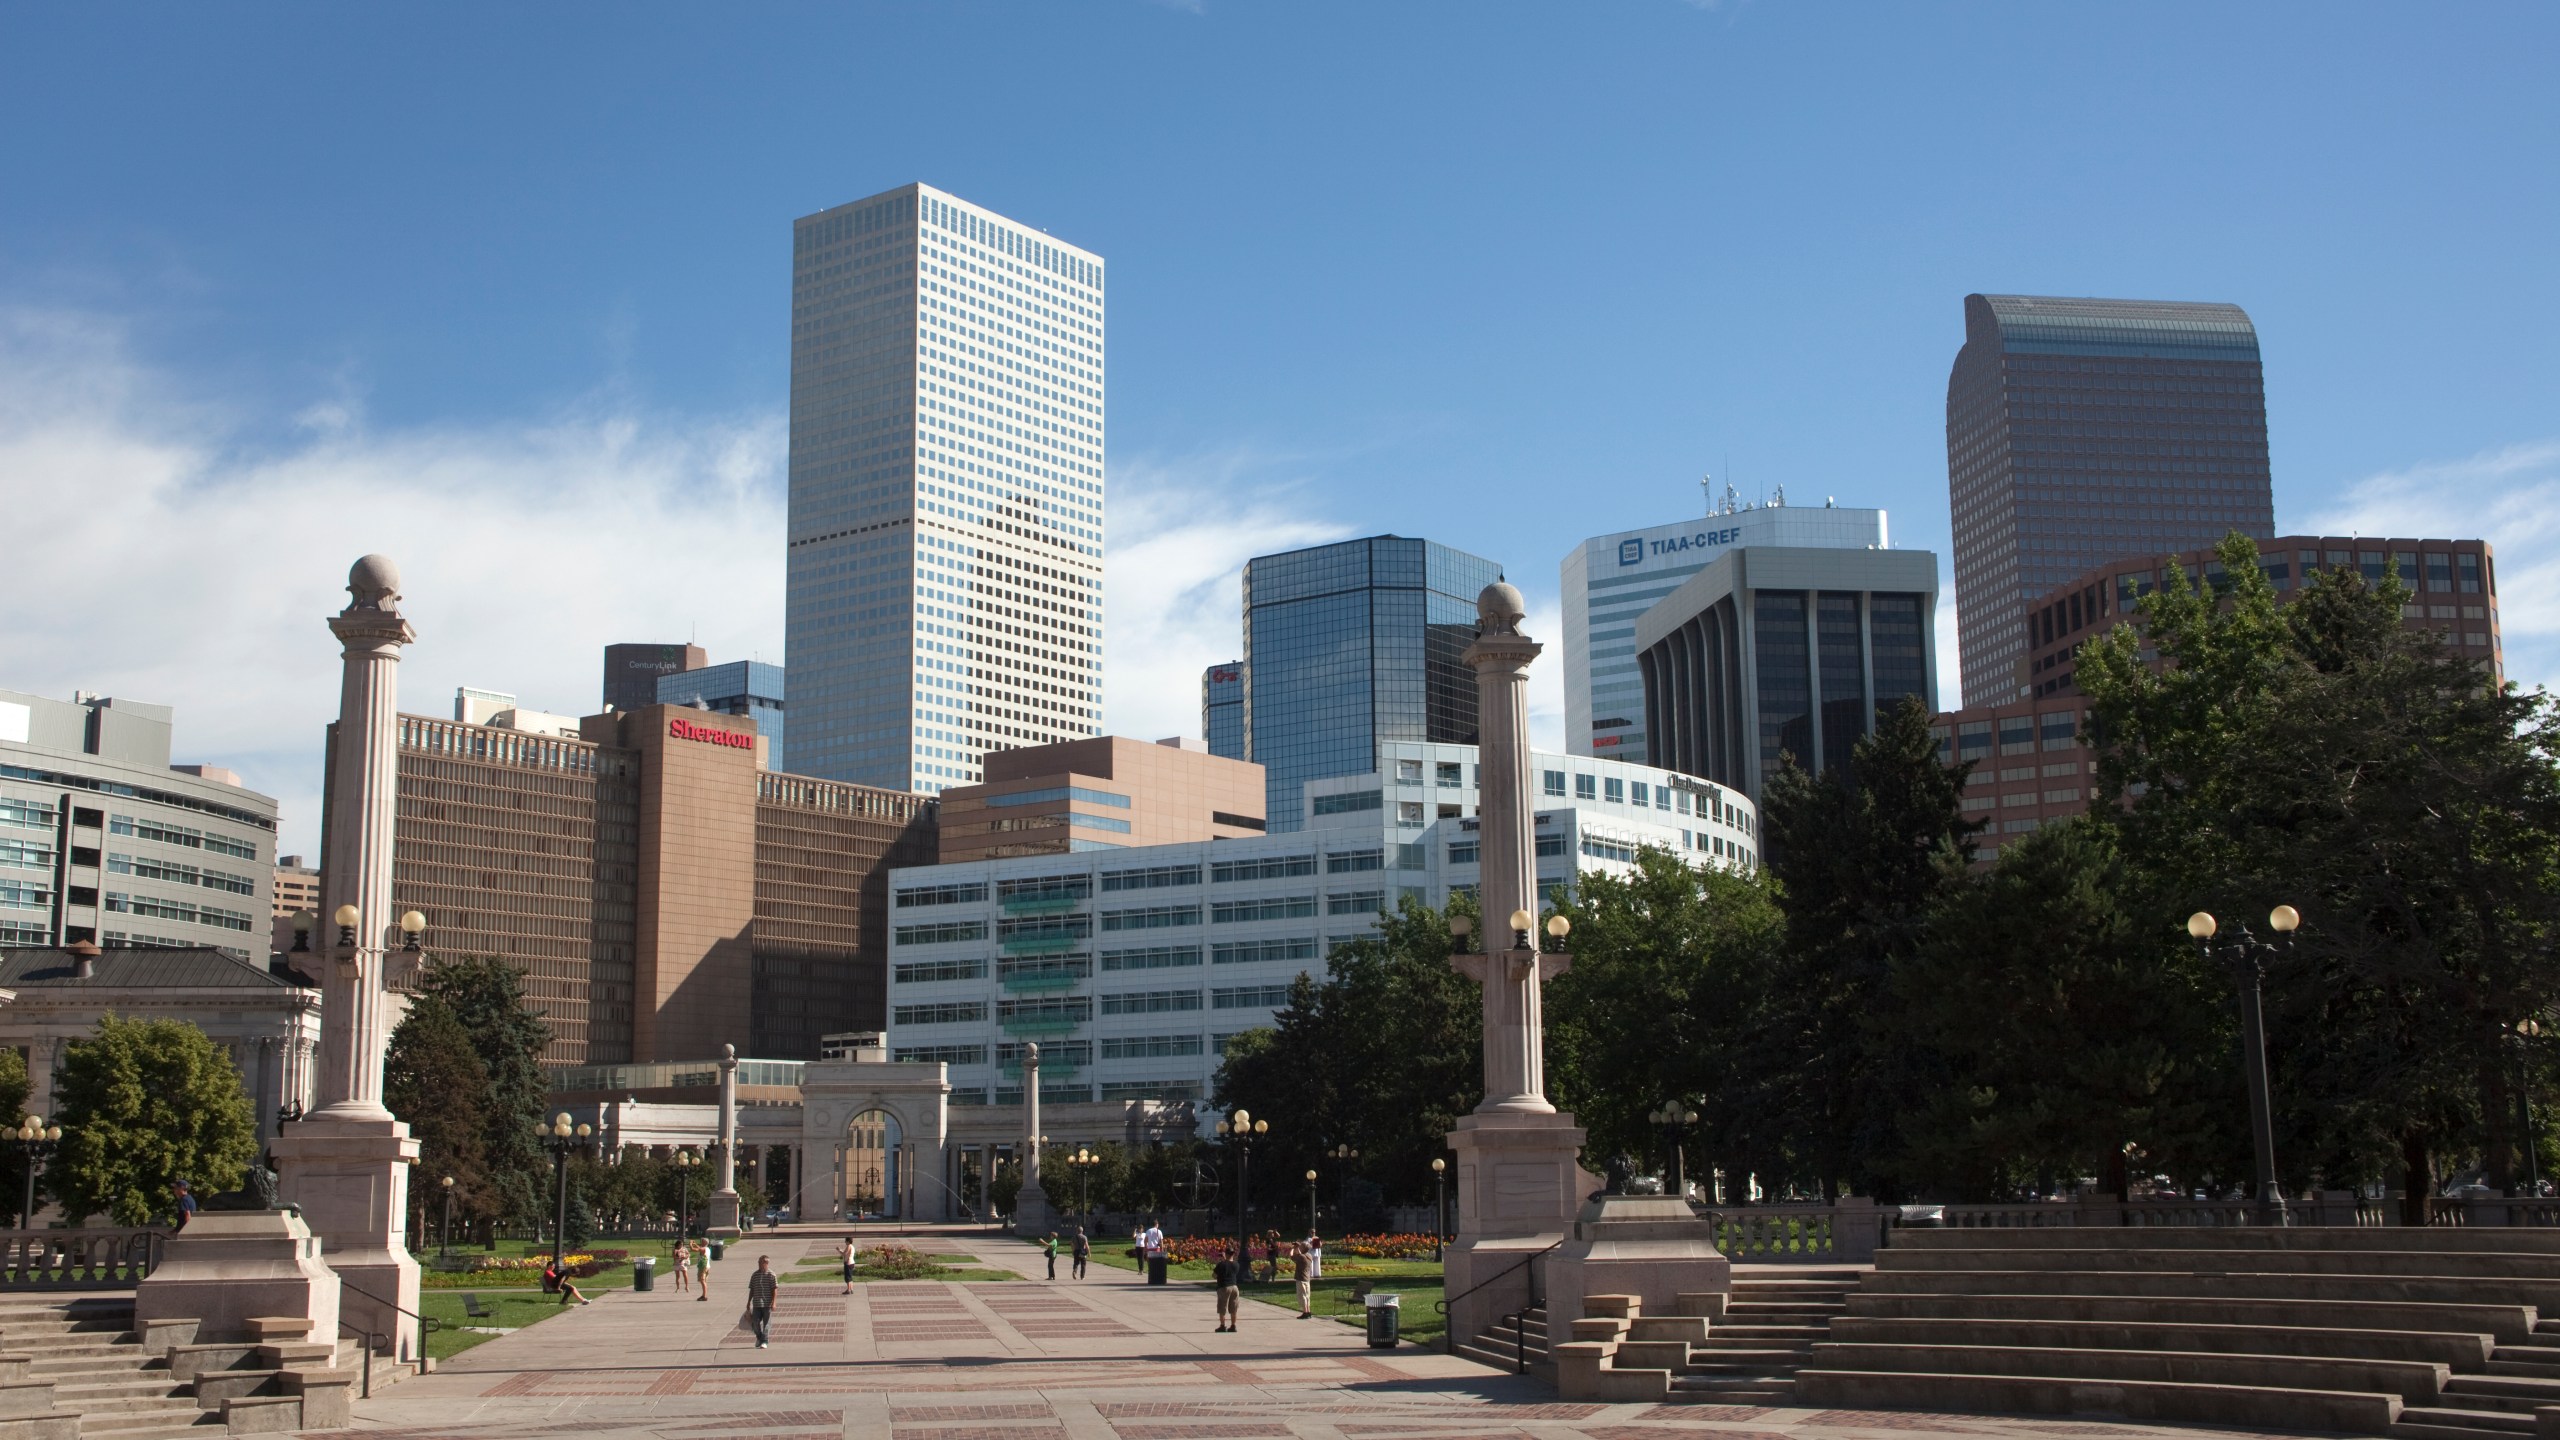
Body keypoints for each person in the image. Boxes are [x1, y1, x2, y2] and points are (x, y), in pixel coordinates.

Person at [745, 1254, 778, 1348]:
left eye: (760, 1262)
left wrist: (774, 1302)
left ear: (766, 1263)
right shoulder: (755, 1275)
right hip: (756, 1304)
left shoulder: (771, 1275)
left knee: (766, 1324)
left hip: (767, 1304)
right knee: (755, 1323)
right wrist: (748, 1302)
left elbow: (775, 1290)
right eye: (758, 1262)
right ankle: (759, 1337)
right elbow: (752, 1289)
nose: (759, 1264)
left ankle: (765, 1341)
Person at [1211, 1244, 1241, 1332]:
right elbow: (1230, 1267)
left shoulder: (1221, 1264)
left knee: (1222, 1307)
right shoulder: (1236, 1264)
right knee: (1233, 1308)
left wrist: (1223, 1261)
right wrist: (1225, 1261)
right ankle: (1233, 1326)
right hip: (1234, 1287)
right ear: (1233, 1254)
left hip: (1224, 1287)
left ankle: (1222, 1326)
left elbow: (1214, 1275)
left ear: (1226, 1254)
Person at [1290, 1240, 1312, 1319]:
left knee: (1302, 1296)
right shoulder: (1309, 1256)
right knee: (1307, 1296)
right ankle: (1308, 1312)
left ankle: (1305, 1312)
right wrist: (1298, 1247)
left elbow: (1291, 1256)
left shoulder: (1301, 1257)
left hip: (1301, 1278)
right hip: (1307, 1278)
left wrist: (1293, 1248)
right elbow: (1300, 1253)